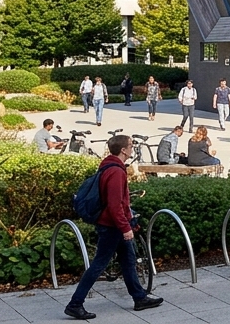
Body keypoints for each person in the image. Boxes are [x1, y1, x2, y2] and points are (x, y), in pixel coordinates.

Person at [63, 135, 163, 319]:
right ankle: (75, 303)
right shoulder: (116, 172)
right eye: (131, 146)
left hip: (112, 224)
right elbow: (115, 204)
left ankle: (139, 297)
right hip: (112, 226)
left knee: (128, 260)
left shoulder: (108, 167)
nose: (132, 148)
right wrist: (125, 228)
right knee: (99, 264)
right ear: (123, 150)